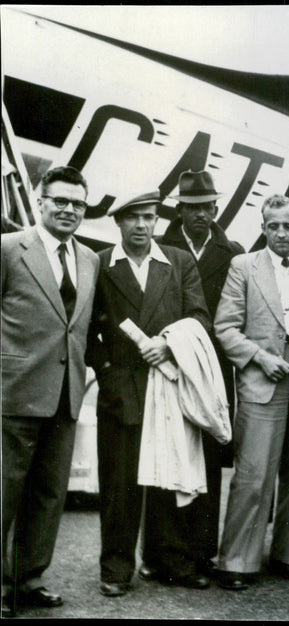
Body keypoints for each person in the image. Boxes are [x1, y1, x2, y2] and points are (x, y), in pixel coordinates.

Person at [86, 191, 211, 597]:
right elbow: (86, 329)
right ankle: (117, 569)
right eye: (133, 218)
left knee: (169, 477)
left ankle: (168, 562)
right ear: (117, 222)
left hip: (168, 384)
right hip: (121, 388)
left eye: (149, 217)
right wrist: (106, 373)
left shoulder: (178, 261)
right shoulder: (100, 263)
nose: (142, 225)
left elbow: (199, 316)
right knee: (120, 484)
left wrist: (169, 344)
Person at [1, 166, 99, 616]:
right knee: (4, 492)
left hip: (65, 395)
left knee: (48, 495)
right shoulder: (8, 249)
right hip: (14, 393)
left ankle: (28, 579)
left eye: (77, 203)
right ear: (40, 202)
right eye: (59, 201)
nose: (68, 209)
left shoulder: (90, 259)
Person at [212, 195, 289, 590]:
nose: (282, 233)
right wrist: (259, 358)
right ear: (263, 227)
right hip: (263, 375)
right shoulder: (244, 266)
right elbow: (225, 327)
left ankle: (288, 555)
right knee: (254, 473)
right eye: (273, 226)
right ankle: (236, 560)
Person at [155, 169, 244, 577]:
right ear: (179, 210)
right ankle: (160, 556)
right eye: (191, 207)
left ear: (215, 208)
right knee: (169, 456)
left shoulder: (233, 252)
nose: (200, 214)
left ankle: (202, 552)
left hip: (214, 367)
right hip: (170, 363)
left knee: (208, 458)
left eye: (206, 207)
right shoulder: (161, 247)